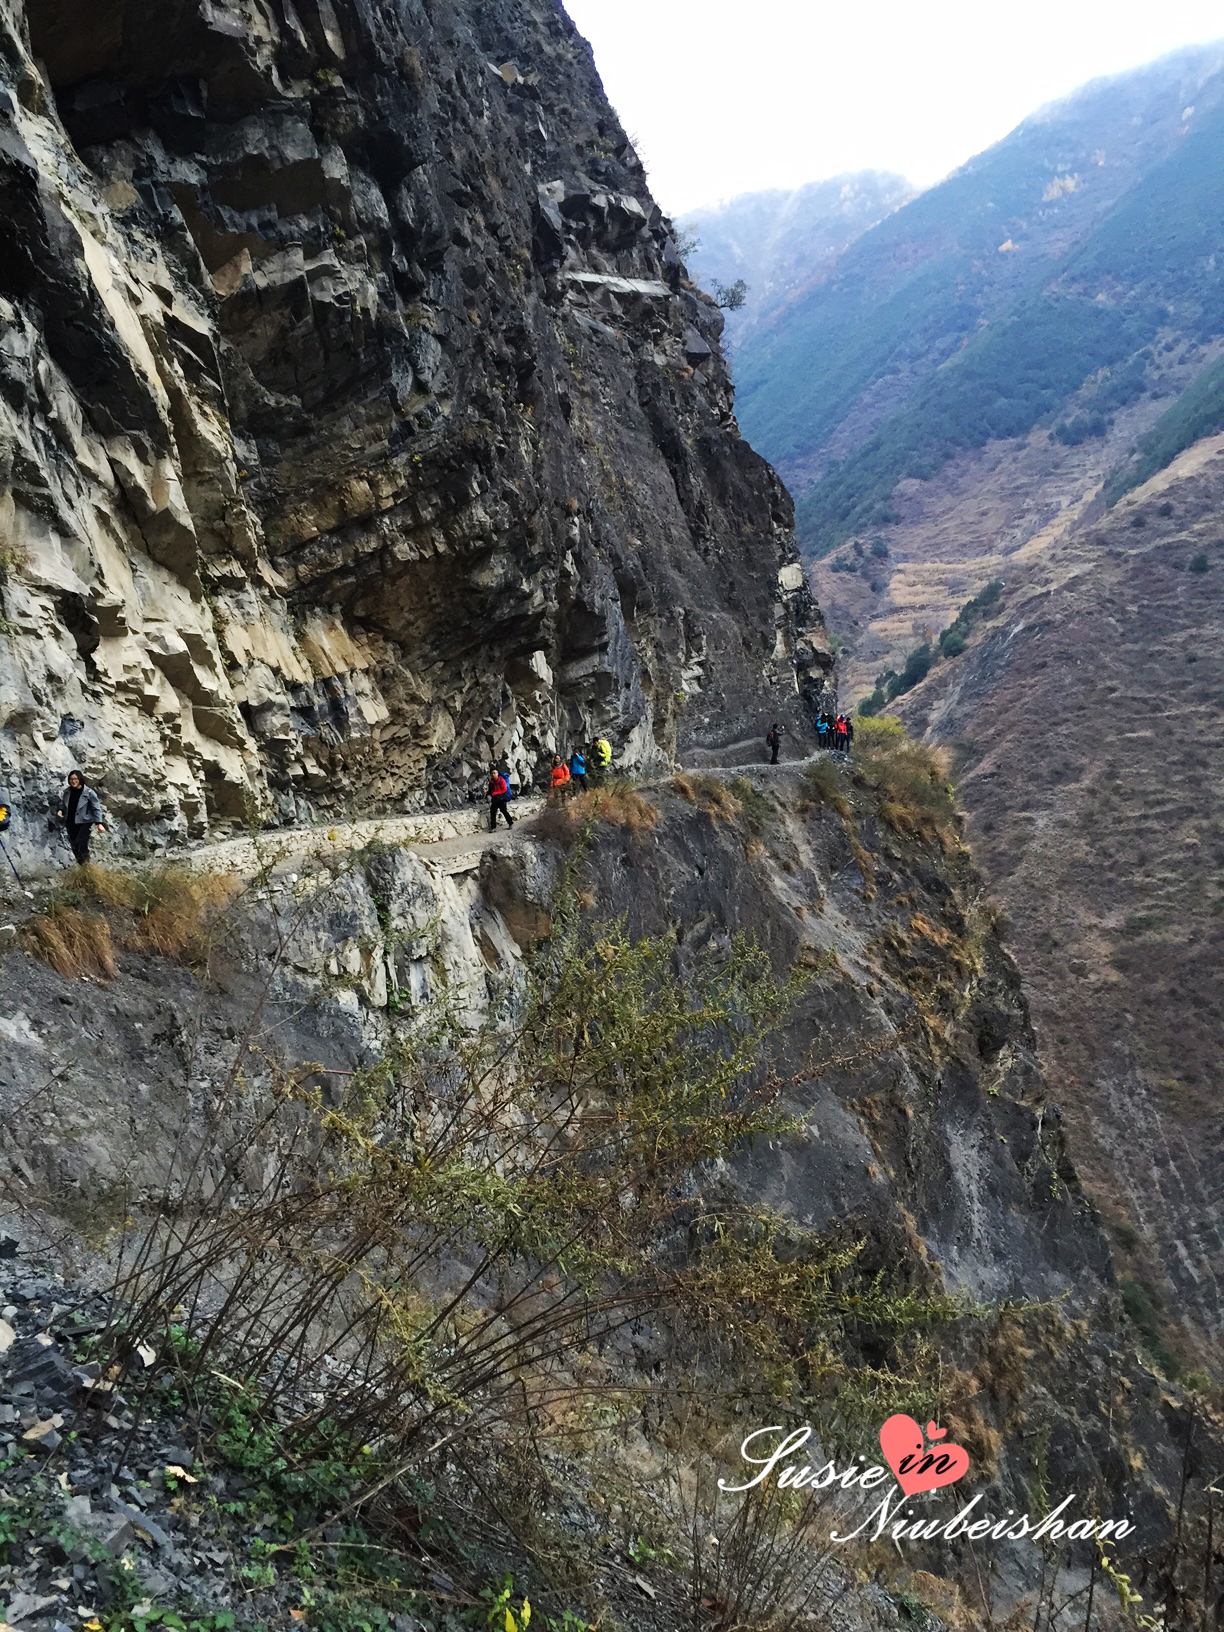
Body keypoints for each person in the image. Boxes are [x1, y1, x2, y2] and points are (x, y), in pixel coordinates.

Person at [56, 770, 106, 865]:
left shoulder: (89, 793)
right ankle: (82, 866)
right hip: (70, 822)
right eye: (71, 779)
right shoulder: (67, 792)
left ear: (80, 780)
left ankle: (86, 866)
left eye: (75, 779)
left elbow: (96, 808)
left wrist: (99, 823)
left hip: (85, 822)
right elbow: (62, 803)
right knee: (74, 845)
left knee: (81, 843)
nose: (73, 781)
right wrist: (60, 810)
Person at [488, 765, 514, 831]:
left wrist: (496, 793)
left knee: (504, 811)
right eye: (492, 773)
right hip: (495, 799)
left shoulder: (501, 780)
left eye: (494, 773)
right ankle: (493, 827)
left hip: (501, 799)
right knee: (493, 812)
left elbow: (504, 789)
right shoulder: (491, 782)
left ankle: (510, 823)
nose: (493, 774)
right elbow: (490, 790)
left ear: (497, 773)